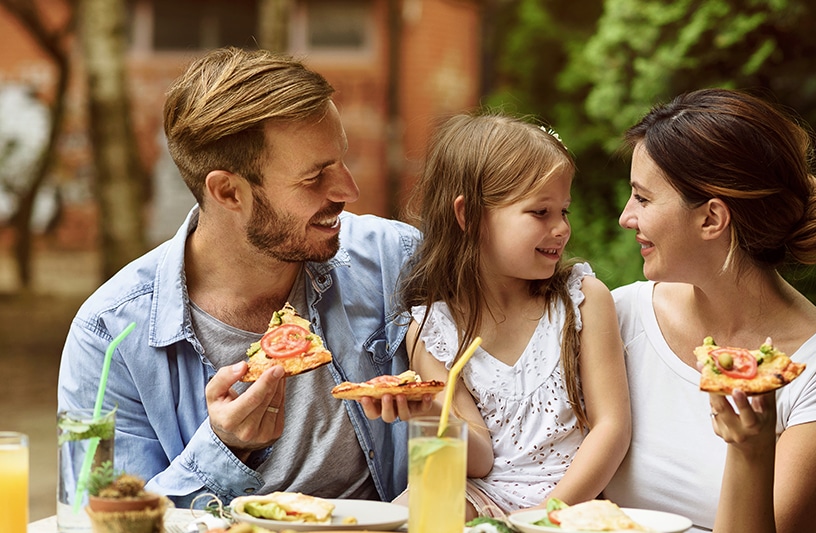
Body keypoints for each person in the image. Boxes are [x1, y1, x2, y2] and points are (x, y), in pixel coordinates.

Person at [56, 47, 429, 508]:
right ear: (228, 191)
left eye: (342, 162)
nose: (349, 191)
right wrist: (224, 448)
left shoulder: (398, 259)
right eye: (315, 178)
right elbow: (98, 519)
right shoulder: (110, 333)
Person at [602, 88, 816, 533]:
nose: (626, 217)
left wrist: (751, 451)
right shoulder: (618, 317)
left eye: (643, 199)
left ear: (711, 218)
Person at [395, 113, 632, 518]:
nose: (561, 229)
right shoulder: (432, 330)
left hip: (569, 502)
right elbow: (480, 459)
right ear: (468, 216)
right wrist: (434, 412)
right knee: (411, 510)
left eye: (564, 211)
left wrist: (545, 513)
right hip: (479, 497)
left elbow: (612, 427)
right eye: (541, 212)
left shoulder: (581, 300)